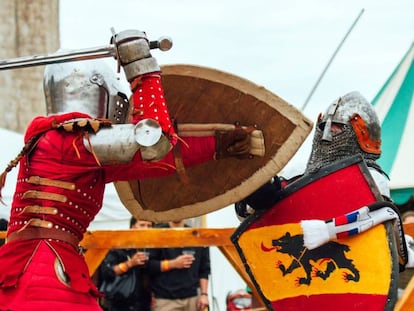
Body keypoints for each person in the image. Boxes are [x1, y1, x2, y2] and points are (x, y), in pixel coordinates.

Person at [0, 29, 256, 310]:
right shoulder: (67, 141)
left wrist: (218, 146)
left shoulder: (70, 149)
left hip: (45, 264)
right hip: (42, 273)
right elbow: (152, 143)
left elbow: (157, 161)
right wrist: (142, 69)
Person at [148, 219, 210, 311]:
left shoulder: (195, 234)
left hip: (192, 298)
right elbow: (149, 265)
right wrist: (173, 264)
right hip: (165, 300)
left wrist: (204, 294)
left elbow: (204, 269)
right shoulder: (158, 233)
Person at [98, 217, 153, 311]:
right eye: (142, 225)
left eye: (149, 225)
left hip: (143, 303)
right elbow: (107, 273)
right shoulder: (120, 246)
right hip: (121, 301)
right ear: (132, 227)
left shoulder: (153, 247)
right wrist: (130, 263)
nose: (146, 228)